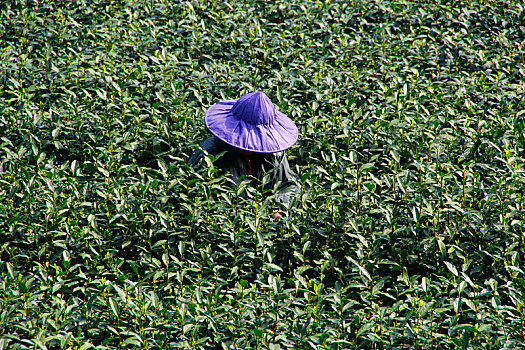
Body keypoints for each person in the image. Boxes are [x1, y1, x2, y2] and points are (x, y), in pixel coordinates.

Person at [189, 91, 300, 213]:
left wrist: (278, 208)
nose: (249, 147)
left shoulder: (274, 154)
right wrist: (240, 207)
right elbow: (198, 198)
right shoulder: (208, 154)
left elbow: (289, 185)